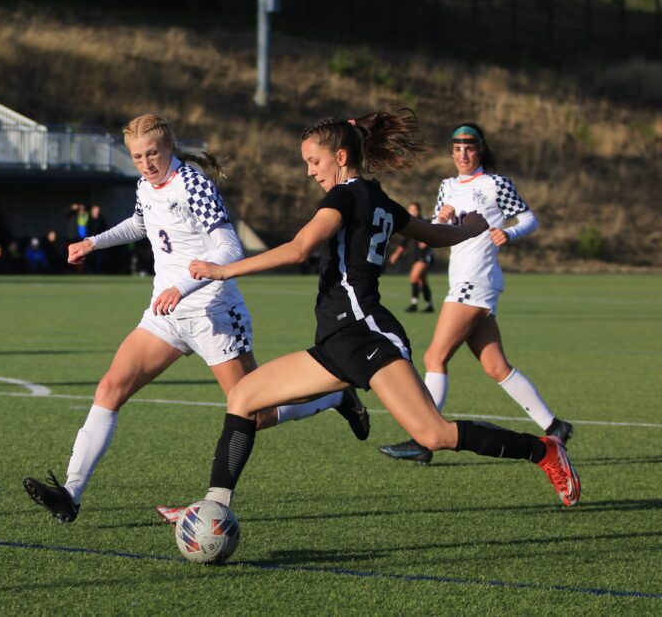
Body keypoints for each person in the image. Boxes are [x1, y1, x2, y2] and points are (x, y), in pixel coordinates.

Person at [187, 110, 580, 520]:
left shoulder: (344, 197)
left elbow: (300, 248)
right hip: (337, 340)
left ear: (341, 156)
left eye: (314, 161)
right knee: (244, 398)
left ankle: (544, 450)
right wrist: (472, 228)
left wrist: (222, 270)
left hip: (367, 335)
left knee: (433, 434)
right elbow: (434, 234)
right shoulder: (377, 199)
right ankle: (212, 507)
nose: (309, 172)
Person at [23, 114, 370, 524]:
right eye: (137, 156)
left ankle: (333, 397)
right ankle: (71, 492)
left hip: (214, 314)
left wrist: (183, 287)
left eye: (153, 153)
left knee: (253, 415)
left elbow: (229, 249)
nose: (147, 163)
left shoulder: (193, 184)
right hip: (165, 316)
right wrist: (93, 242)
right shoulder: (144, 186)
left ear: (169, 147)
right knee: (111, 387)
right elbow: (140, 222)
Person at [379, 123, 573, 464]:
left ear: (479, 150)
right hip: (462, 282)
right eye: (457, 148)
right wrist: (440, 219)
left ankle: (425, 441)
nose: (463, 154)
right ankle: (555, 426)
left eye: (469, 148)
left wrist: (509, 234)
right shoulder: (447, 187)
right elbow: (438, 233)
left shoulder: (495, 183)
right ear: (451, 152)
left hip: (477, 281)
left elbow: (529, 219)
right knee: (496, 367)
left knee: (434, 357)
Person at [387, 201, 434, 313]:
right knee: (422, 281)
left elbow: (436, 233)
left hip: (425, 256)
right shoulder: (410, 224)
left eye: (414, 210)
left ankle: (414, 304)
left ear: (419, 211)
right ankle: (429, 305)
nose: (412, 212)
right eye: (410, 210)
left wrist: (428, 240)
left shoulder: (425, 222)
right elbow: (405, 241)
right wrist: (396, 254)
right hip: (416, 256)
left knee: (413, 277)